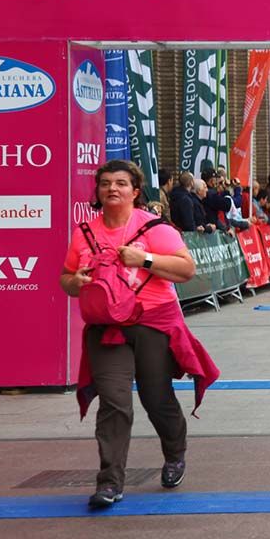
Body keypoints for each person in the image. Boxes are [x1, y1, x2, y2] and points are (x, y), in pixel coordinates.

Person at [60, 160, 219, 510]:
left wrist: (144, 259)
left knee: (156, 397)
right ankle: (109, 482)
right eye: (105, 183)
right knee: (114, 401)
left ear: (135, 191)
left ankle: (175, 453)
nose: (112, 189)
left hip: (152, 323)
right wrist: (77, 281)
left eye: (120, 183)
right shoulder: (84, 232)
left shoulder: (155, 228)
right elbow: (66, 279)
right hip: (106, 327)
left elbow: (186, 269)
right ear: (98, 191)